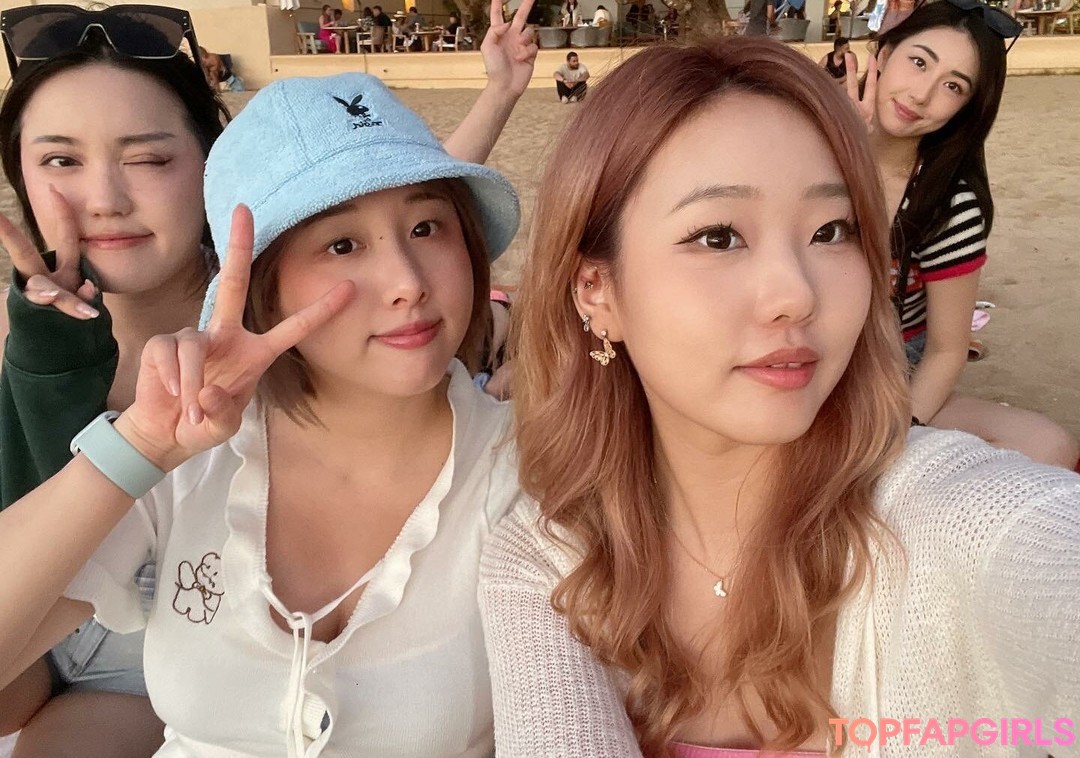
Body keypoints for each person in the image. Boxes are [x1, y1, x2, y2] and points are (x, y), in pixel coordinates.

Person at [478, 37, 1080, 756]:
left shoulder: (954, 517)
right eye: (718, 236)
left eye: (832, 231)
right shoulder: (548, 562)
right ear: (596, 290)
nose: (796, 294)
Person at [0, 0, 538, 752]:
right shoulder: (192, 451)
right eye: (342, 245)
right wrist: (141, 448)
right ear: (261, 288)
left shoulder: (528, 474)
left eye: (428, 228)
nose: (408, 283)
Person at [846, 0, 1080, 469]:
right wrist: (838, 140)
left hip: (887, 372)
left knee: (1047, 445)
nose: (921, 95)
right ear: (884, 53)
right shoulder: (810, 147)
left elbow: (946, 350)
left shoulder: (948, 206)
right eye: (919, 62)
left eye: (952, 86)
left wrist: (898, 437)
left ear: (967, 109)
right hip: (793, 353)